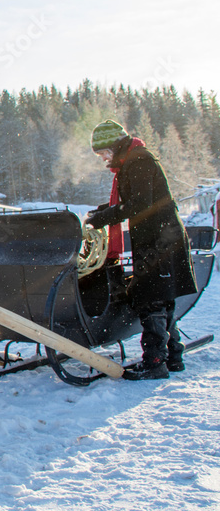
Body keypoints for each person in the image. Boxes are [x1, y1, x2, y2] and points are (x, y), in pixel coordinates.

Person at [85, 119, 197, 380]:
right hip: (159, 236)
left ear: (114, 146)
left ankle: (155, 362)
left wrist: (104, 218)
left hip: (159, 239)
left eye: (103, 152)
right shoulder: (132, 161)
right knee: (161, 297)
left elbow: (140, 205)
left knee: (150, 297)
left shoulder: (139, 161)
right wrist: (102, 212)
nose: (102, 158)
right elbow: (134, 201)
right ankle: (173, 356)